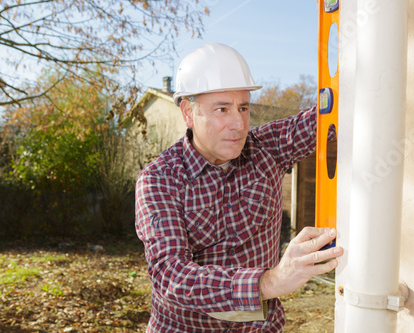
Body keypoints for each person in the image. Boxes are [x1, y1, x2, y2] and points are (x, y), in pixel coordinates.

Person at [135, 42, 343, 332]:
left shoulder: (267, 149)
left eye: (243, 107)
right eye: (222, 109)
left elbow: (329, 117)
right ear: (188, 113)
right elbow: (172, 275)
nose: (238, 123)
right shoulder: (160, 179)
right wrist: (272, 280)